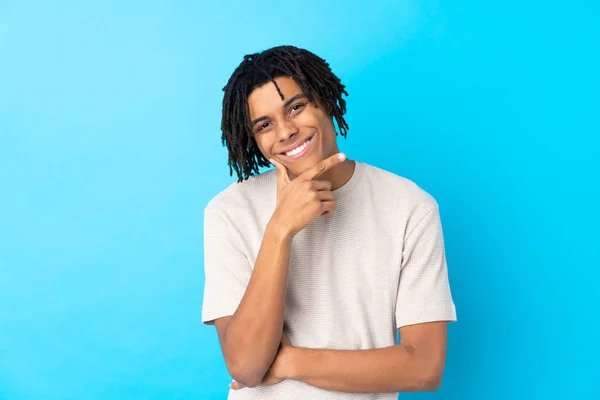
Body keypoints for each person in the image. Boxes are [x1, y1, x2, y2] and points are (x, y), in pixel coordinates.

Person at [201, 45, 457, 399]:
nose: (286, 131)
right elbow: (246, 366)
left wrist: (290, 362)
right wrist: (280, 230)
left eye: (295, 106)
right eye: (264, 125)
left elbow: (424, 368)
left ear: (325, 100)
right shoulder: (229, 212)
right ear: (254, 140)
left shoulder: (409, 206)